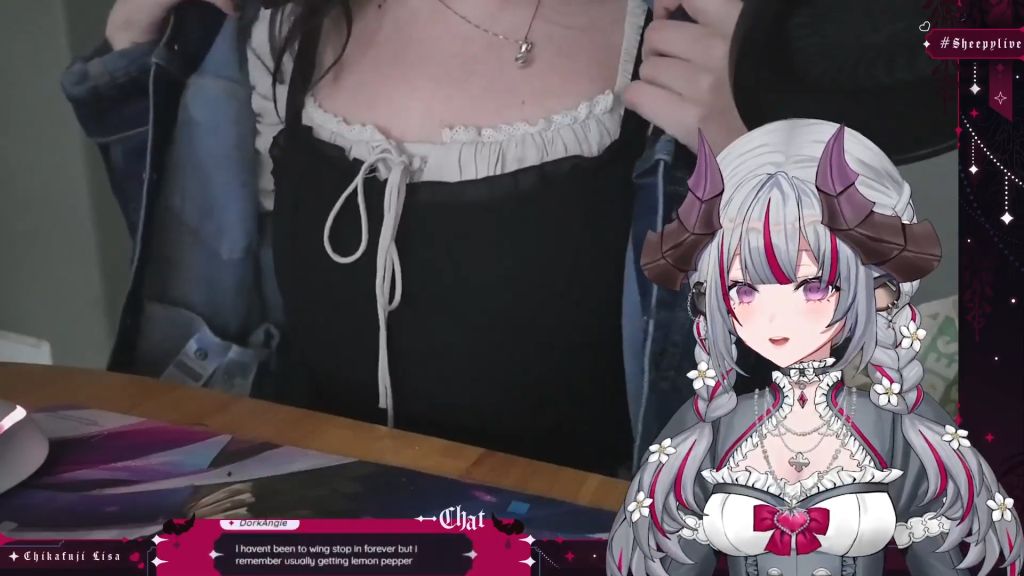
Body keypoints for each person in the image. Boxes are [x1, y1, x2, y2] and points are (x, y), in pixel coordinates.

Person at [63, 0, 746, 476]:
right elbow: (208, 308)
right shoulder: (274, 30)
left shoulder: (707, 45)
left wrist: (759, 160)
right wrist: (140, 58)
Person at [607, 119, 1022, 575]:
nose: (775, 318)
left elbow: (947, 561)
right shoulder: (708, 429)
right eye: (744, 289)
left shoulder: (902, 429)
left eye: (813, 286)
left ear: (876, 290)